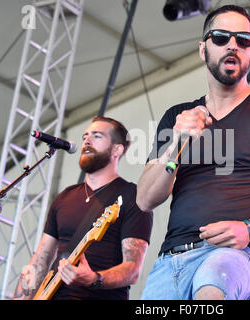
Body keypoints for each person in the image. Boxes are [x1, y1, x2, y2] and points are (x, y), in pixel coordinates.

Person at [137, 5, 250, 300]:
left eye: (243, 39)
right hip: (172, 260)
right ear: (202, 48)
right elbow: (145, 199)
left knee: (212, 288)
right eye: (221, 37)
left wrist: (249, 229)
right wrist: (176, 145)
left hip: (236, 256)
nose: (232, 44)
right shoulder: (178, 117)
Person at [13, 116, 153, 300]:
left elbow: (132, 270)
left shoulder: (133, 196)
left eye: (97, 136)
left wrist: (94, 278)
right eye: (85, 136)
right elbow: (40, 260)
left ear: (117, 149)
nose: (87, 140)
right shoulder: (64, 197)